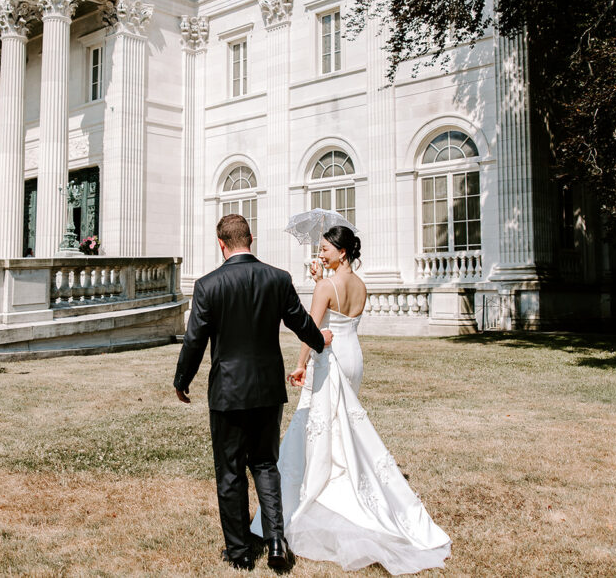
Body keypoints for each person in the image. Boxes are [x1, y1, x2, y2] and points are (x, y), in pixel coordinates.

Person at [251, 225, 452, 574]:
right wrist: (319, 282)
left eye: (326, 248)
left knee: (320, 422)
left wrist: (300, 365)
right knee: (341, 422)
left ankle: (325, 491)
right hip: (353, 355)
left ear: (342, 252)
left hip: (328, 358)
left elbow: (312, 330)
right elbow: (341, 315)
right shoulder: (360, 284)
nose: (321, 253)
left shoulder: (327, 285)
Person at [174, 214, 334, 572]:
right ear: (251, 238)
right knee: (265, 464)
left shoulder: (208, 285)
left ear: (221, 244)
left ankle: (241, 552)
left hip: (228, 393)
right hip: (267, 389)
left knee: (230, 471)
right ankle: (276, 540)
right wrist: (318, 342)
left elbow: (194, 339)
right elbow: (300, 322)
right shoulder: (277, 279)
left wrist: (182, 379)